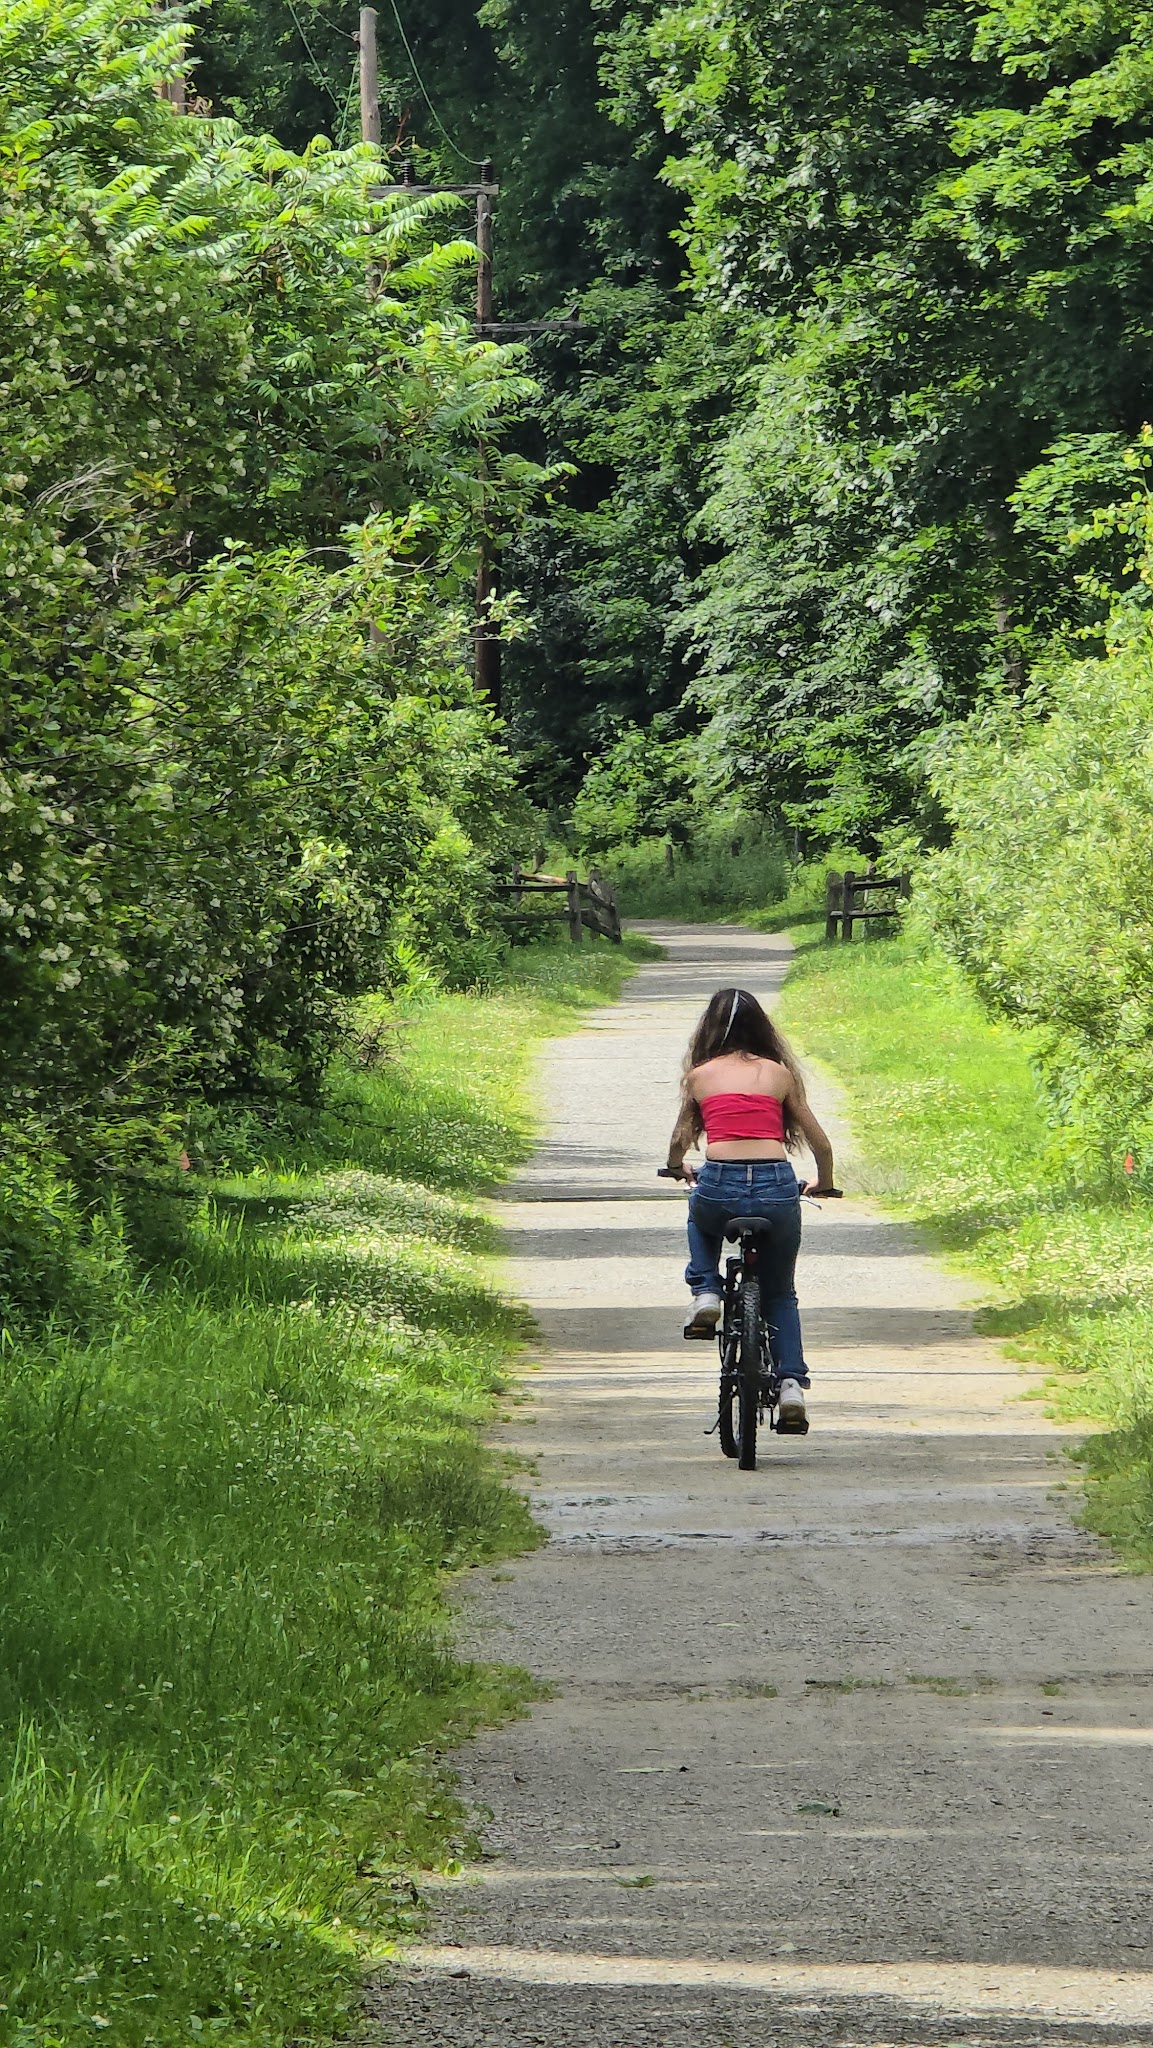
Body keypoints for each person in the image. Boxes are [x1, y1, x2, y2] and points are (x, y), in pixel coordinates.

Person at [665, 985, 835, 1431]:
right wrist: (826, 1182)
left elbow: (680, 1139)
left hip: (719, 1183)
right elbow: (819, 1141)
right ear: (762, 1029)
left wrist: (675, 1167)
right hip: (778, 1187)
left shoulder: (700, 1075)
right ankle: (791, 1385)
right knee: (780, 1293)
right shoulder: (780, 1075)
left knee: (699, 1217)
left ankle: (706, 1291)